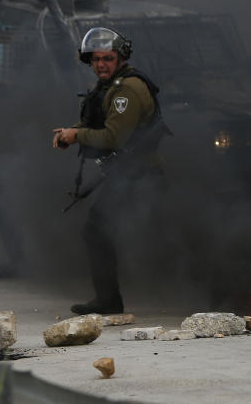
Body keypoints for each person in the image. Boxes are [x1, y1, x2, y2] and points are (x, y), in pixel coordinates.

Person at [52, 27, 168, 314]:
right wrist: (71, 132)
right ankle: (108, 299)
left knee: (98, 231)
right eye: (96, 59)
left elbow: (113, 137)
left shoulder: (126, 89)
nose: (101, 64)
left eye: (108, 58)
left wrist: (76, 136)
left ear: (120, 58)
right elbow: (97, 121)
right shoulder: (109, 85)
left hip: (140, 176)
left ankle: (109, 301)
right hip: (126, 174)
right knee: (99, 230)